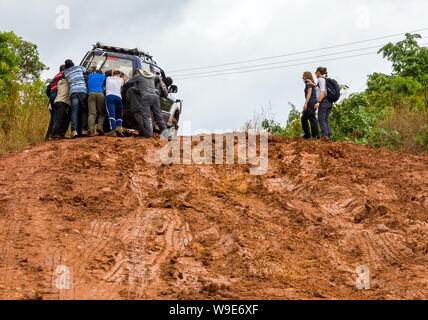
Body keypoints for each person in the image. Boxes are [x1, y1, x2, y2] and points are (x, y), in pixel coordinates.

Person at [126, 69, 171, 140]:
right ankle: (167, 135)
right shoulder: (152, 77)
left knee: (146, 116)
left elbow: (127, 82)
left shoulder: (139, 76)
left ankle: (148, 135)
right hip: (155, 98)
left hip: (146, 98)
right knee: (159, 118)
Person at [63, 59, 88, 138]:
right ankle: (84, 130)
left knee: (74, 112)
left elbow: (62, 76)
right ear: (73, 63)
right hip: (83, 90)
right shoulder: (79, 67)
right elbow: (85, 70)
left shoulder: (66, 73)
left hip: (73, 92)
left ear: (66, 66)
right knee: (84, 111)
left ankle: (74, 131)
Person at [45, 65, 66, 139]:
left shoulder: (55, 76)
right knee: (58, 116)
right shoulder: (63, 75)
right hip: (57, 95)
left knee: (54, 116)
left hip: (51, 96)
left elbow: (49, 88)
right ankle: (54, 134)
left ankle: (48, 135)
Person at [105, 70, 125, 137]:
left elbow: (109, 73)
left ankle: (113, 131)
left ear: (112, 74)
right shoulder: (121, 80)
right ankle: (119, 128)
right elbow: (124, 81)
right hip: (118, 98)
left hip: (109, 96)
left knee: (111, 114)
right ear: (119, 75)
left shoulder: (108, 79)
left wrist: (112, 73)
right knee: (119, 115)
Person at [87, 69, 107, 136]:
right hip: (100, 94)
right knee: (101, 113)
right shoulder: (103, 76)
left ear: (95, 72)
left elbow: (89, 72)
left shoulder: (90, 75)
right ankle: (99, 128)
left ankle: (91, 131)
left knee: (92, 114)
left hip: (91, 94)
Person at [315, 67, 332, 140]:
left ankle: (324, 136)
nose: (315, 73)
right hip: (329, 101)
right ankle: (327, 135)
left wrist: (318, 102)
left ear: (318, 72)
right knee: (325, 119)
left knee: (321, 119)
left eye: (316, 72)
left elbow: (322, 91)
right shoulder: (325, 79)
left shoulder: (321, 79)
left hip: (323, 101)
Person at [301, 72, 320, 140]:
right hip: (310, 102)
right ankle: (307, 135)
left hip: (311, 103)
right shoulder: (309, 82)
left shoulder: (308, 82)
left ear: (306, 76)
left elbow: (309, 93)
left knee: (312, 118)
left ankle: (315, 136)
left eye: (303, 75)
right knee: (304, 118)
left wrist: (305, 103)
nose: (302, 77)